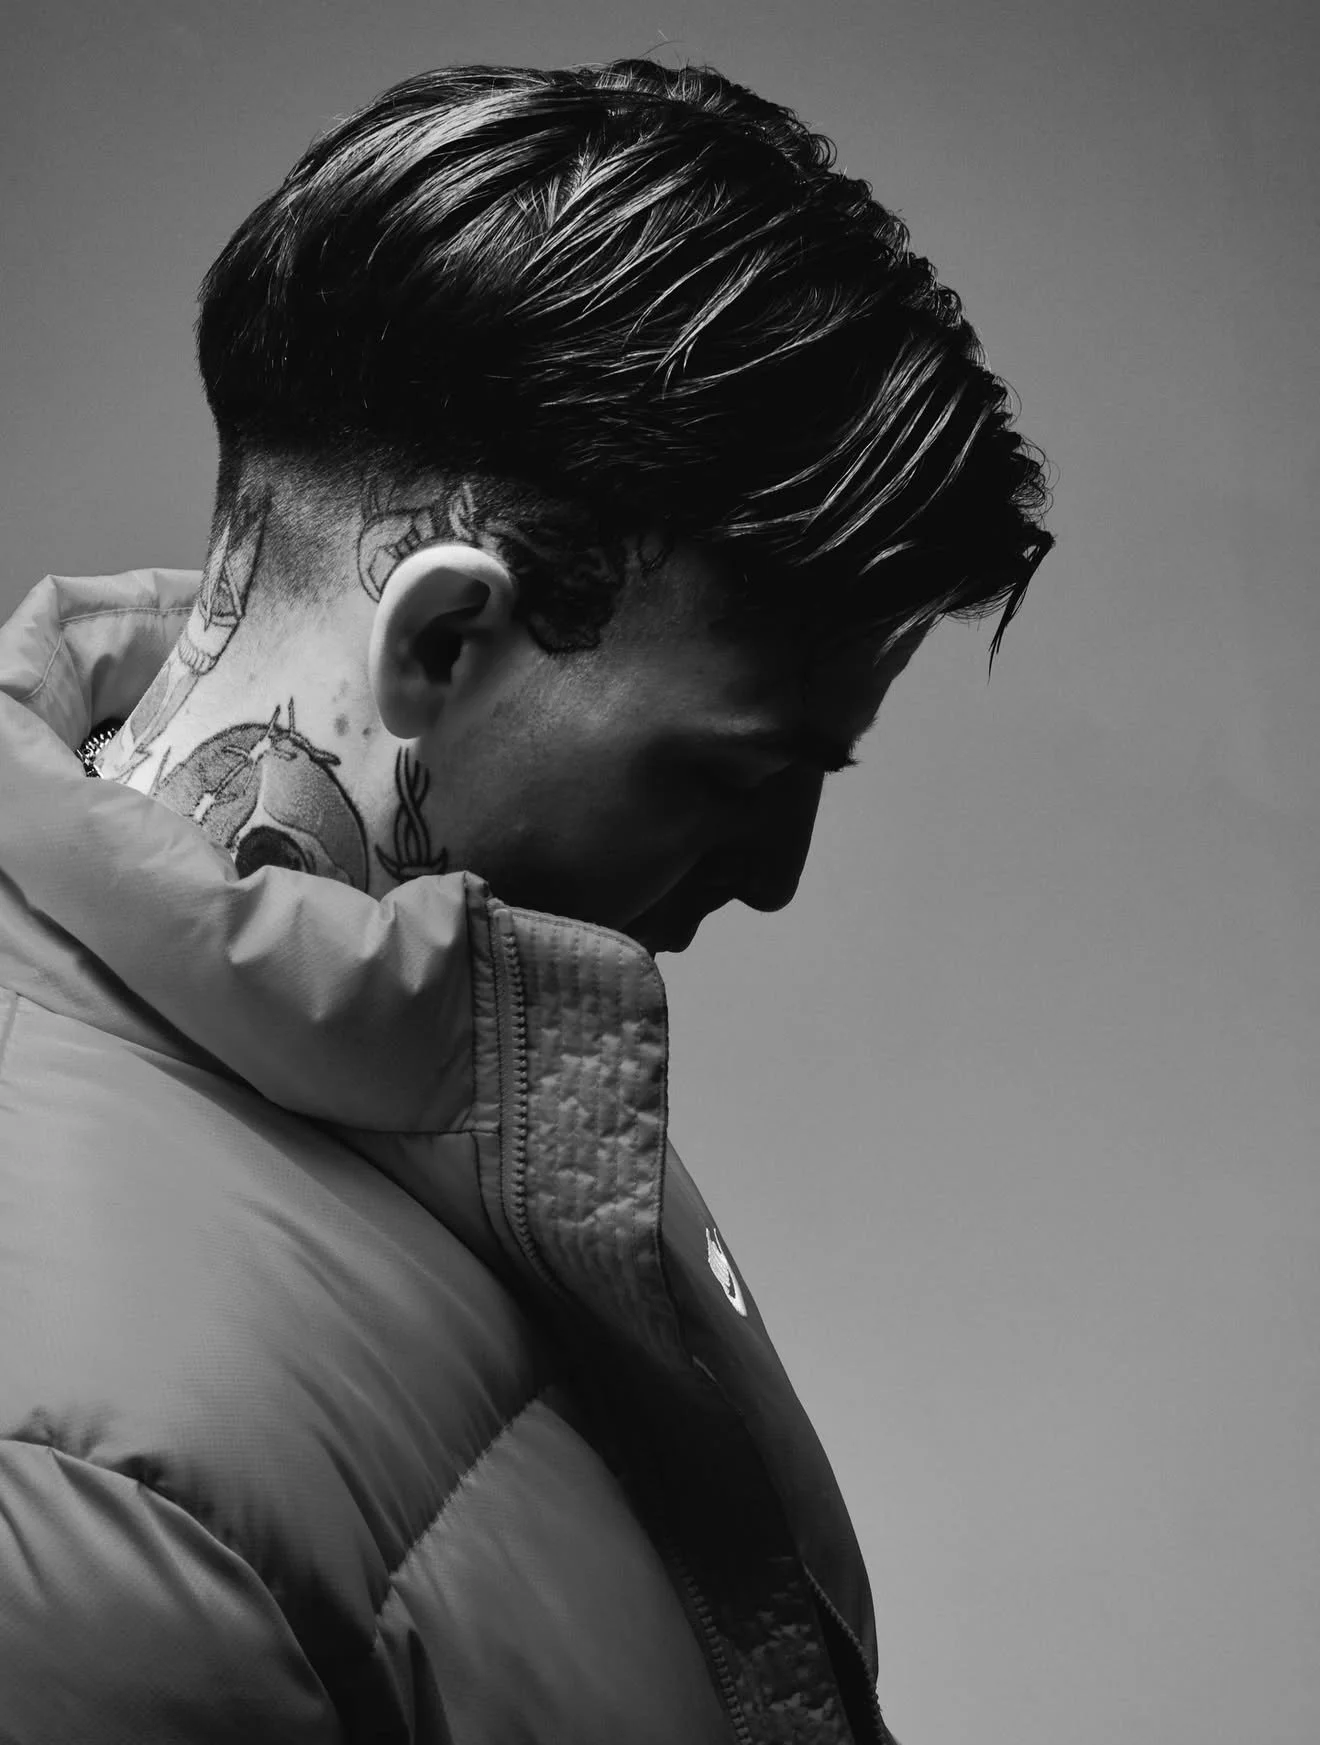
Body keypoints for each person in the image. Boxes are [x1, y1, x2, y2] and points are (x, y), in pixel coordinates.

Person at [0, 57, 1053, 1744]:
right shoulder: (79, 1482)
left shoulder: (429, 1035)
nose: (775, 878)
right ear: (441, 642)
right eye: (733, 773)